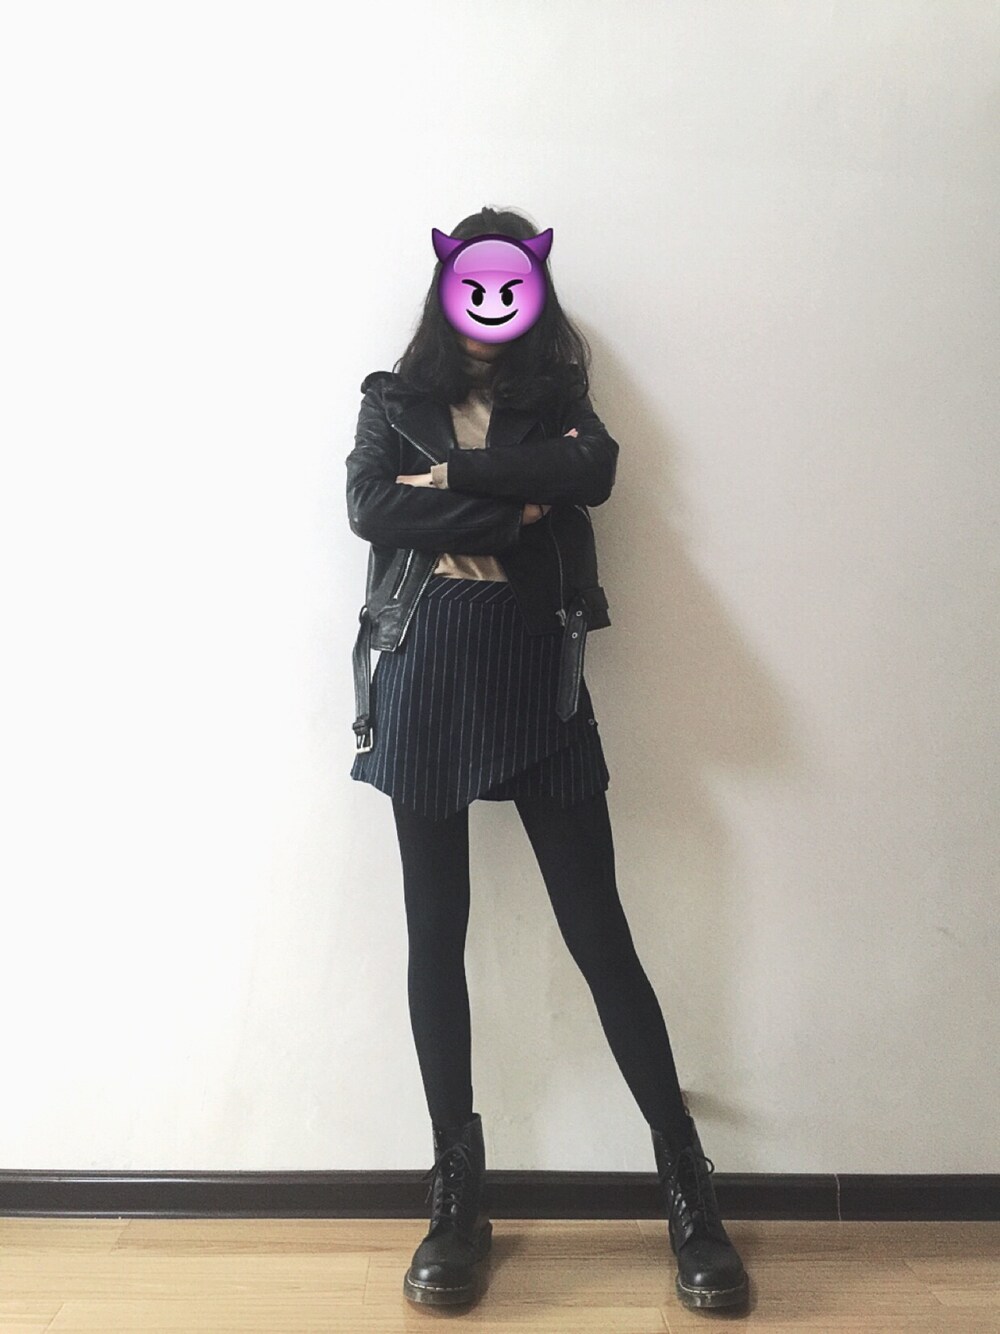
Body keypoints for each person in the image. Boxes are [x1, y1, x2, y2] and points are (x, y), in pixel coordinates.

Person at [344, 206, 750, 1314]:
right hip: (424, 675)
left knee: (599, 933)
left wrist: (453, 481)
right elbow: (368, 507)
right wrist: (512, 502)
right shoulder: (391, 398)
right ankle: (456, 1196)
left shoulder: (560, 398)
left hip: (537, 673)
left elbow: (594, 471)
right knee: (437, 935)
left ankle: (687, 1185)